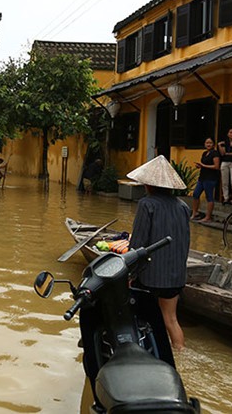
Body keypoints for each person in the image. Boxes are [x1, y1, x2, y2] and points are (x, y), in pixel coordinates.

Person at [80, 155, 188, 406]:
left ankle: (137, 358)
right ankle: (180, 357)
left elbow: (138, 245)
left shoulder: (147, 204)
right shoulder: (183, 206)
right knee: (171, 319)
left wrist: (129, 275)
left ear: (148, 185)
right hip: (175, 274)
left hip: (151, 275)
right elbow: (184, 242)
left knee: (135, 318)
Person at [191, 137, 221, 222]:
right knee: (195, 194)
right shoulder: (204, 153)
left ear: (213, 144)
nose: (208, 144)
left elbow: (216, 166)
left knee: (209, 197)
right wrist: (199, 166)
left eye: (210, 143)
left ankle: (208, 217)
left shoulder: (215, 153)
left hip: (210, 178)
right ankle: (194, 213)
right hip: (202, 177)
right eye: (207, 143)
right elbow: (203, 164)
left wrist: (203, 166)